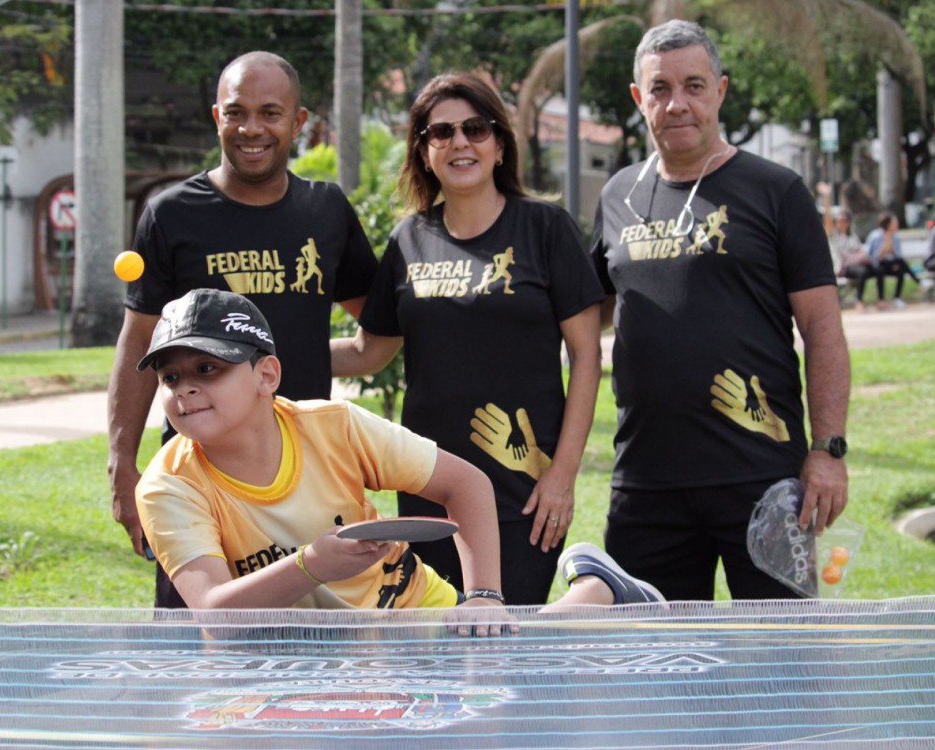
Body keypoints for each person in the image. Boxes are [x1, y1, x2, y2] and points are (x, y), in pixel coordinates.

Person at [135, 289, 663, 634]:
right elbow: (212, 614)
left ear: (266, 376)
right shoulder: (167, 485)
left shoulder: (334, 424)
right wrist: (310, 565)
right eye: (171, 377)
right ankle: (599, 587)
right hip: (286, 662)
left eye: (208, 368)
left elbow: (467, 484)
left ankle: (598, 589)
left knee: (519, 668)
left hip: (411, 620)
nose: (187, 390)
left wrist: (483, 597)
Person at [588, 20, 851, 601]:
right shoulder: (617, 195)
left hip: (763, 481)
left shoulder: (775, 190)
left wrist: (828, 451)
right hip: (646, 482)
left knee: (785, 662)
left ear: (721, 91)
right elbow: (590, 314)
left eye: (694, 85)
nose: (677, 103)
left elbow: (823, 328)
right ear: (639, 99)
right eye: (659, 89)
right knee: (657, 670)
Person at [108, 51, 379, 609]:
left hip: (306, 479)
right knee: (205, 654)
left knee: (317, 654)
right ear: (216, 117)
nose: (252, 128)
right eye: (236, 113)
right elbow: (138, 343)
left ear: (299, 122)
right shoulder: (171, 213)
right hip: (200, 481)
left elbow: (378, 327)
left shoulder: (325, 211)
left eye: (270, 113)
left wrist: (311, 356)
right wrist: (122, 466)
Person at [330, 73, 605, 606]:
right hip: (428, 481)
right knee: (439, 640)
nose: (460, 142)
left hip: (523, 485)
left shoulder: (545, 228)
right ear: (424, 152)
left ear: (500, 144)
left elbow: (587, 357)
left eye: (475, 129)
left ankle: (599, 593)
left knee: (506, 635)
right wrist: (266, 359)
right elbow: (371, 351)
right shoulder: (409, 238)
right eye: (442, 132)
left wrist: (563, 476)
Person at [818, 183, 881, 312]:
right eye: (840, 221)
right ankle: (858, 301)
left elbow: (860, 251)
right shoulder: (833, 235)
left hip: (856, 264)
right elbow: (827, 219)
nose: (843, 223)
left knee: (878, 269)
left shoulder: (852, 237)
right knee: (862, 272)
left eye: (845, 220)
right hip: (842, 267)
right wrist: (827, 196)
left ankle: (881, 300)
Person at [865, 212, 918, 309]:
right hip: (876, 265)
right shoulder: (875, 236)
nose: (897, 224)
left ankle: (897, 298)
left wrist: (892, 253)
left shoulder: (895, 237)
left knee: (900, 268)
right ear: (888, 224)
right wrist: (883, 250)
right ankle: (881, 300)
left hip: (890, 264)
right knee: (880, 270)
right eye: (894, 222)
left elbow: (898, 255)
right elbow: (870, 256)